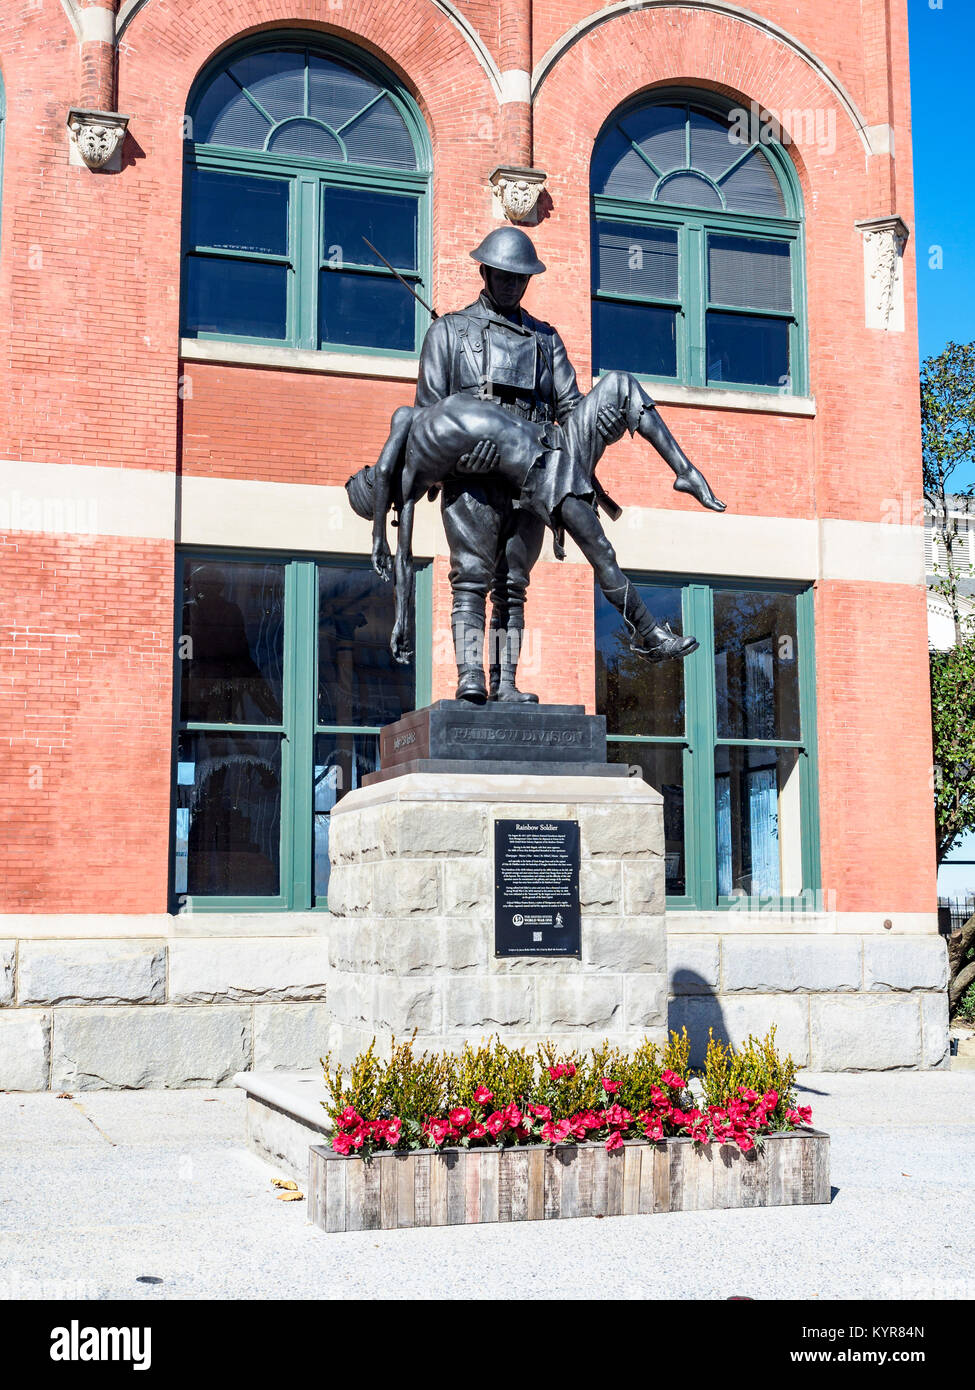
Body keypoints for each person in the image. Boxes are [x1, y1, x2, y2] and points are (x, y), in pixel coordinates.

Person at [346, 227, 725, 701]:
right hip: (474, 476)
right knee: (471, 578)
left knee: (513, 585)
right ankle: (471, 676)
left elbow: (569, 404)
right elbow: (428, 420)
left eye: (521, 279)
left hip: (536, 466)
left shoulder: (545, 339)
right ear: (484, 271)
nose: (512, 286)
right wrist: (462, 462)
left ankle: (506, 683)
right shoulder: (448, 331)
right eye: (504, 276)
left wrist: (581, 436)